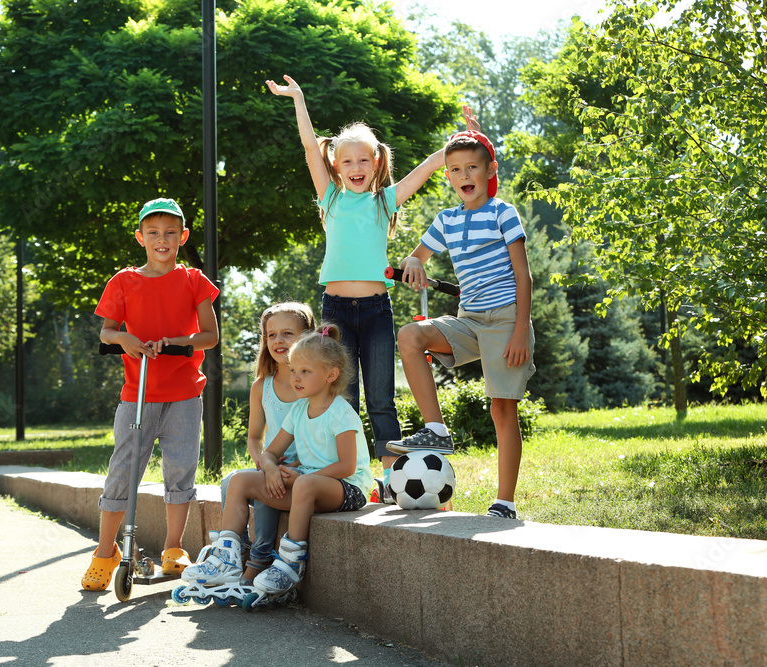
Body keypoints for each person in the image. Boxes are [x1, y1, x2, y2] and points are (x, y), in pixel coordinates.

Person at [265, 75, 446, 502]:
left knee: (381, 399)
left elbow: (425, 170)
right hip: (337, 313)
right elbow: (311, 147)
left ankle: (390, 481)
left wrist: (444, 154)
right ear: (336, 167)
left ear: (376, 164)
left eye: (364, 161)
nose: (356, 169)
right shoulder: (329, 199)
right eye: (347, 162)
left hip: (378, 312)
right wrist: (299, 98)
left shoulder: (384, 201)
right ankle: (345, 478)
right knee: (341, 398)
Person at [386, 129, 535, 520]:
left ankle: (505, 503)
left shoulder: (503, 212)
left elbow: (524, 276)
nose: (465, 175)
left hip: (505, 320)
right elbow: (415, 257)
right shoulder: (446, 219)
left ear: (489, 170)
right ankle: (435, 428)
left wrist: (521, 329)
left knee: (502, 411)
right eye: (455, 169)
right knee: (410, 335)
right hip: (468, 320)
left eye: (472, 167)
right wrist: (415, 262)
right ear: (448, 176)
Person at [82, 197, 219, 591]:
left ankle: (173, 548)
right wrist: (123, 336)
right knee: (123, 472)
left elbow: (209, 336)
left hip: (183, 395)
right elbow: (107, 332)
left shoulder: (194, 281)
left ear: (183, 236)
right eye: (154, 233)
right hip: (137, 395)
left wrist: (178, 341)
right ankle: (105, 552)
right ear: (141, 237)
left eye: (171, 233)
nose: (163, 240)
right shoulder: (123, 281)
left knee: (180, 471)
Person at [181, 324, 372, 602]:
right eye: (293, 370)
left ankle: (290, 563)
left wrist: (302, 477)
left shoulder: (341, 412)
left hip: (346, 489)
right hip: (307, 485)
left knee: (305, 481)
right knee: (240, 480)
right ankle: (227, 558)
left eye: (305, 371)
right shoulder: (298, 410)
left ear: (331, 375)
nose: (296, 378)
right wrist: (270, 470)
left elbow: (347, 467)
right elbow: (269, 453)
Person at [218, 301, 316, 588]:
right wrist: (264, 463)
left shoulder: (312, 383)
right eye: (271, 335)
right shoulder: (261, 386)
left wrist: (285, 468)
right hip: (271, 462)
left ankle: (259, 559)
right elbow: (253, 438)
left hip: (307, 468)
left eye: (288, 333)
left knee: (265, 487)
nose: (278, 340)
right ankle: (239, 552)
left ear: (306, 336)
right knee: (230, 481)